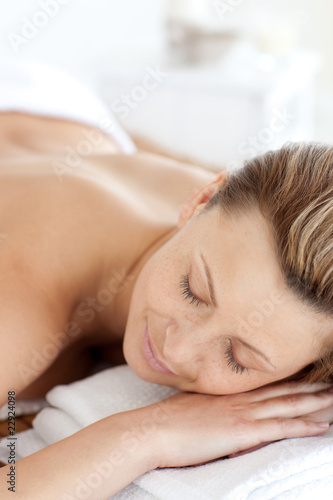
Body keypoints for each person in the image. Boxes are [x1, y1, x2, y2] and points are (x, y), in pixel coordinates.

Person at [0, 63, 332, 499]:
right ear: (200, 200)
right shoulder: (15, 317)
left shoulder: (239, 223)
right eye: (193, 290)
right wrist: (146, 437)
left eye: (237, 358)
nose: (176, 350)